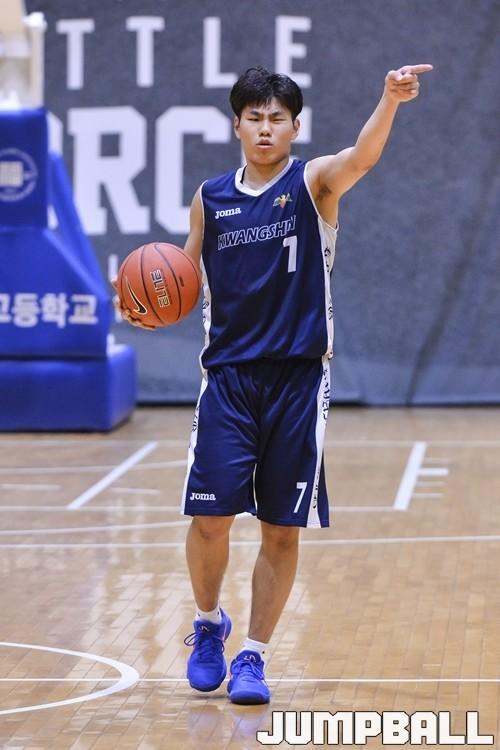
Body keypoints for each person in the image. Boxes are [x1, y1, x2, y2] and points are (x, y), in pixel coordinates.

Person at [114, 62, 433, 705]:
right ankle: (209, 625)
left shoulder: (313, 184)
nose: (265, 128)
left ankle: (254, 657)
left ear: (294, 127)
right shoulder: (210, 198)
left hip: (297, 379)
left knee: (281, 529)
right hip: (229, 379)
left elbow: (363, 157)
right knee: (210, 519)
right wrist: (144, 304)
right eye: (254, 118)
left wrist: (389, 100)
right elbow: (182, 278)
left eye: (277, 118)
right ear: (237, 125)